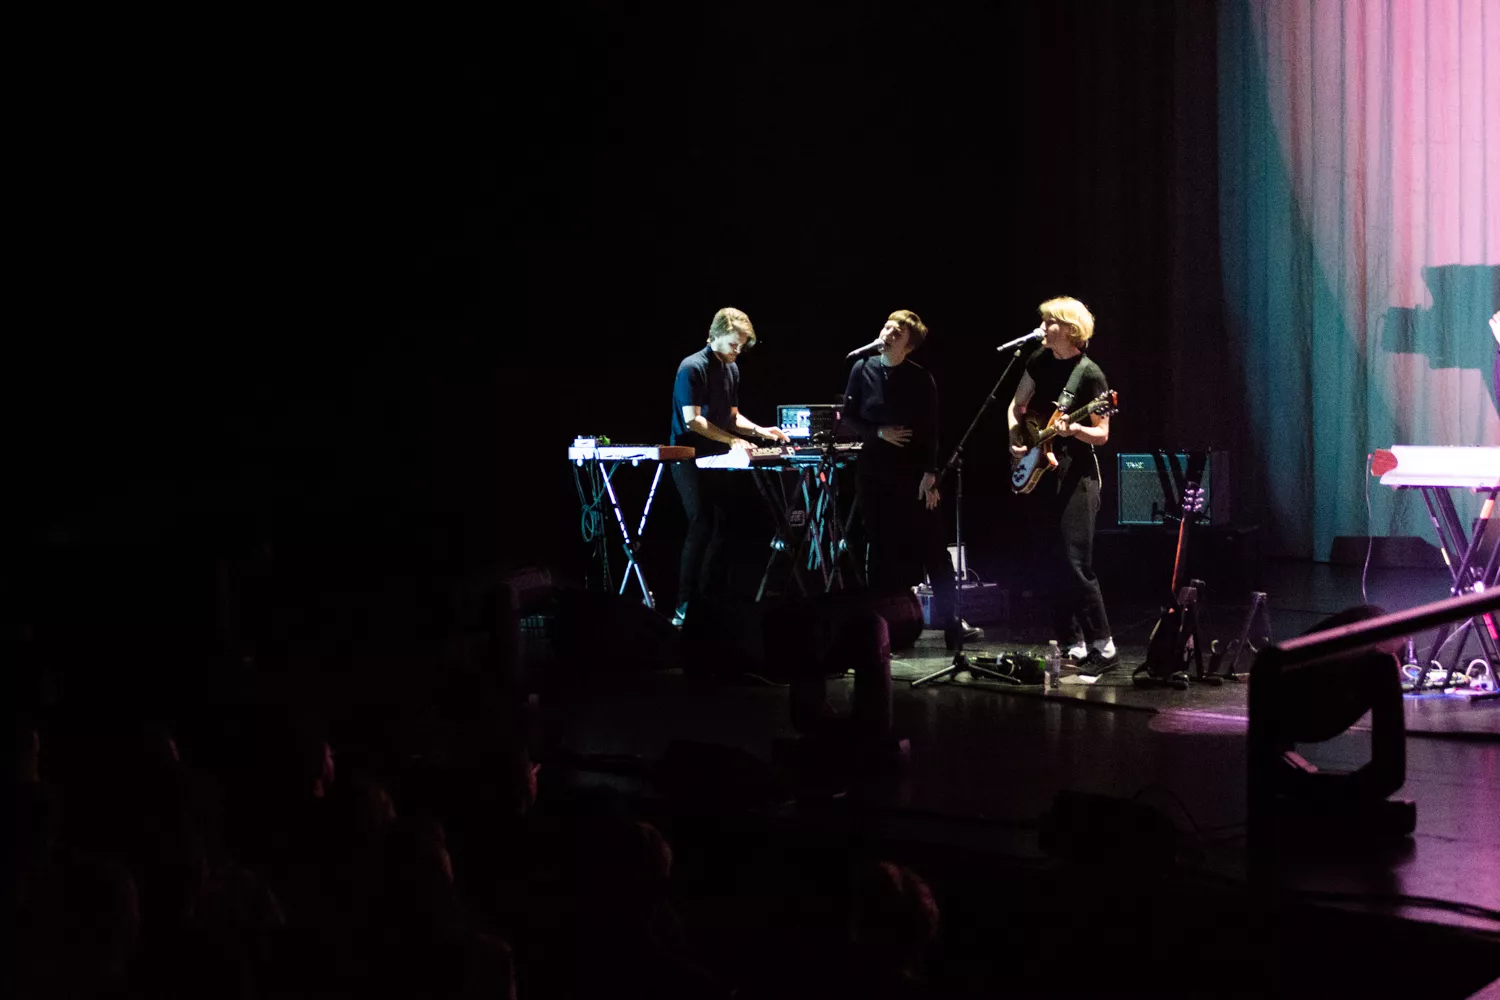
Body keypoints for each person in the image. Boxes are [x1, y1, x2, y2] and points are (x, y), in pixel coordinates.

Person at [840, 310, 981, 649]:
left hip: (912, 474)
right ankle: (885, 626)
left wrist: (931, 475)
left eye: (897, 332)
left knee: (933, 548)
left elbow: (931, 430)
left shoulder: (920, 379)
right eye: (887, 326)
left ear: (908, 346)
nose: (888, 333)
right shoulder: (861, 368)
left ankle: (952, 622)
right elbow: (849, 416)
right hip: (874, 473)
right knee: (880, 548)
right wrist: (879, 432)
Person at [1007, 296, 1118, 674]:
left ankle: (1104, 646)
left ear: (1070, 329)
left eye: (1049, 322)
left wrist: (1075, 430)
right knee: (1048, 561)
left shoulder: (1089, 374)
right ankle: (1072, 643)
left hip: (1078, 477)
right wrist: (1015, 437)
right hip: (1043, 472)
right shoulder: (1039, 359)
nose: (1042, 327)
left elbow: (1102, 434)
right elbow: (1016, 406)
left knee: (1076, 563)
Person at [668, 307, 789, 626]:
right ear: (715, 335)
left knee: (726, 526)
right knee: (701, 524)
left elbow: (732, 417)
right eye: (734, 343)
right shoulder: (692, 367)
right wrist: (733, 440)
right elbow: (693, 420)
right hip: (689, 456)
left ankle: (711, 599)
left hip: (718, 458)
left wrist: (761, 431)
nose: (738, 350)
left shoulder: (731, 369)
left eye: (742, 345)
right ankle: (684, 604)